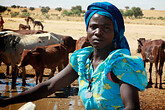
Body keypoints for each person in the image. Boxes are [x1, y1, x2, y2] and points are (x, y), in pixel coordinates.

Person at [0, 2, 148, 110]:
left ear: (115, 32)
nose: (98, 32)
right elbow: (49, 86)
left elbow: (132, 108)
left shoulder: (121, 64)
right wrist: (7, 101)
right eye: (93, 27)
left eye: (106, 28)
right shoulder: (82, 60)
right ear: (87, 30)